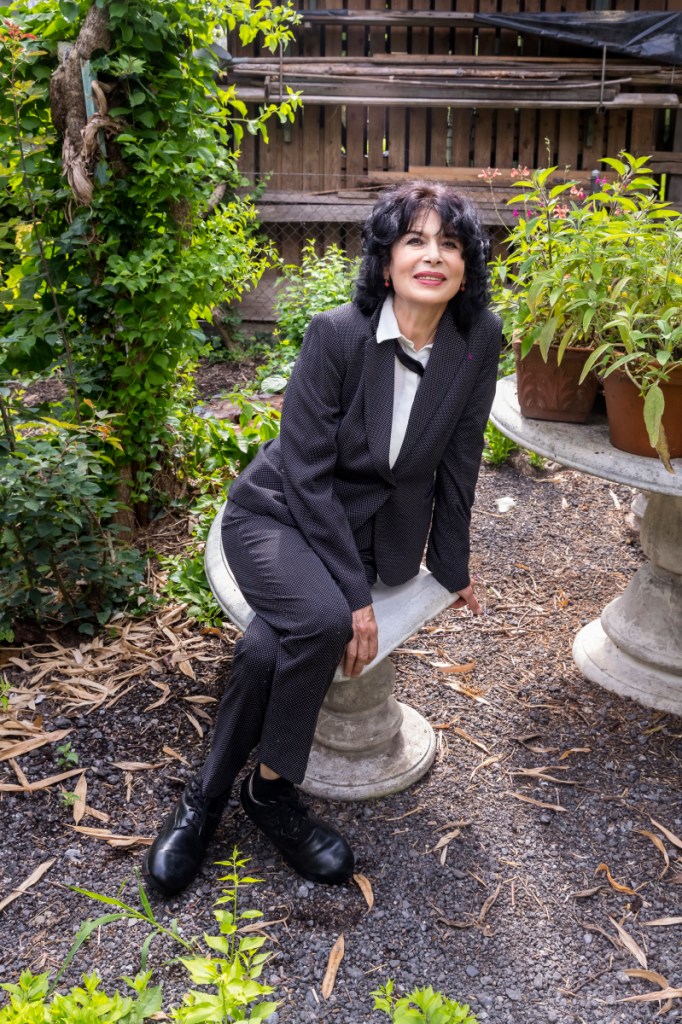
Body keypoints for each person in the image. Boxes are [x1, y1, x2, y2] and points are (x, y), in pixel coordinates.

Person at [145, 181, 501, 896]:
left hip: (372, 534)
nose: (433, 255)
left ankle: (214, 797)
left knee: (266, 648)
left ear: (466, 268)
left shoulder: (477, 341)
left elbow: (462, 458)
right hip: (278, 514)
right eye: (415, 240)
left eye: (450, 244)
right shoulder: (337, 334)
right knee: (322, 620)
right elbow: (305, 476)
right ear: (387, 261)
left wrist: (451, 564)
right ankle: (266, 793)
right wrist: (354, 601)